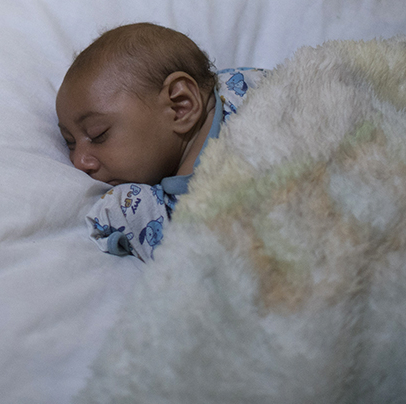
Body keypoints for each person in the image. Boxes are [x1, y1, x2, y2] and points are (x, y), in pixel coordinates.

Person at [56, 23, 265, 262]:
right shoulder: (240, 79)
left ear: (180, 106)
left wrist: (114, 212)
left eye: (98, 134)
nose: (79, 162)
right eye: (69, 143)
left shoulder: (193, 192)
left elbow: (186, 253)